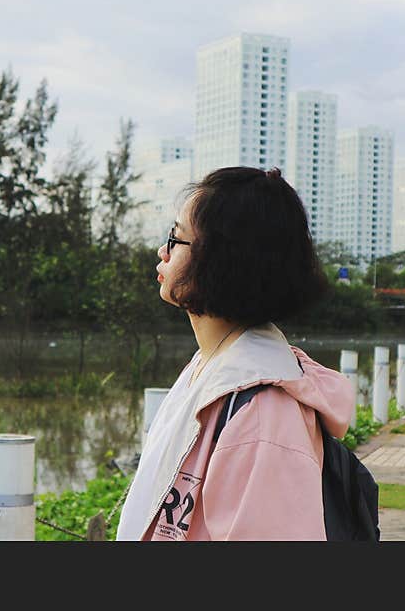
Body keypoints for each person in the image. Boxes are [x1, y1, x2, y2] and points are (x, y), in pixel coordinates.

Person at [116, 166, 354, 541]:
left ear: (221, 260)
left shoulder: (261, 415)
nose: (163, 251)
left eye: (175, 239)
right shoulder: (211, 364)